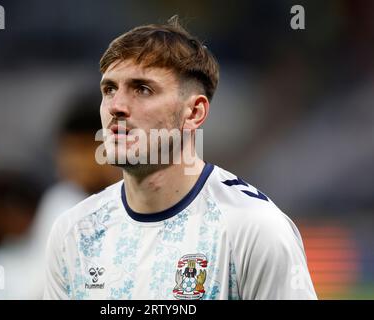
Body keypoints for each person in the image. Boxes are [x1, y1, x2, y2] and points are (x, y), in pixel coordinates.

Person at [43, 16, 317, 300]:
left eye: (142, 89)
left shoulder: (254, 228)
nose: (117, 106)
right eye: (109, 89)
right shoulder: (74, 232)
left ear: (194, 112)